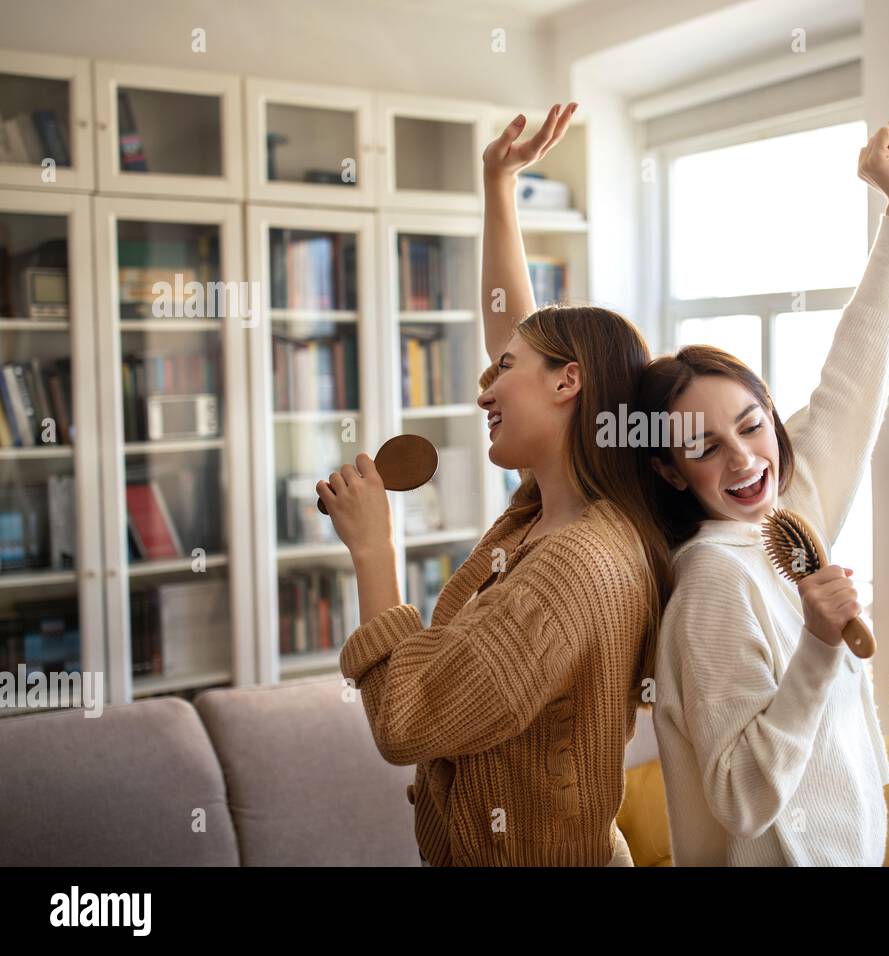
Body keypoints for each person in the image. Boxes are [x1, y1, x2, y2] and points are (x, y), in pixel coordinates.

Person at [319, 102, 667, 866]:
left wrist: (375, 549)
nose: (483, 391)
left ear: (569, 382)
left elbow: (405, 722)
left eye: (503, 372)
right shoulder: (552, 514)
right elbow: (517, 328)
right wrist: (498, 183)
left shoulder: (576, 566)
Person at [640, 119, 889, 865]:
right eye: (704, 448)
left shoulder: (792, 508)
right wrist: (818, 644)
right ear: (671, 470)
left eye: (752, 424)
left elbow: (852, 381)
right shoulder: (710, 583)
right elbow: (739, 797)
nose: (743, 460)